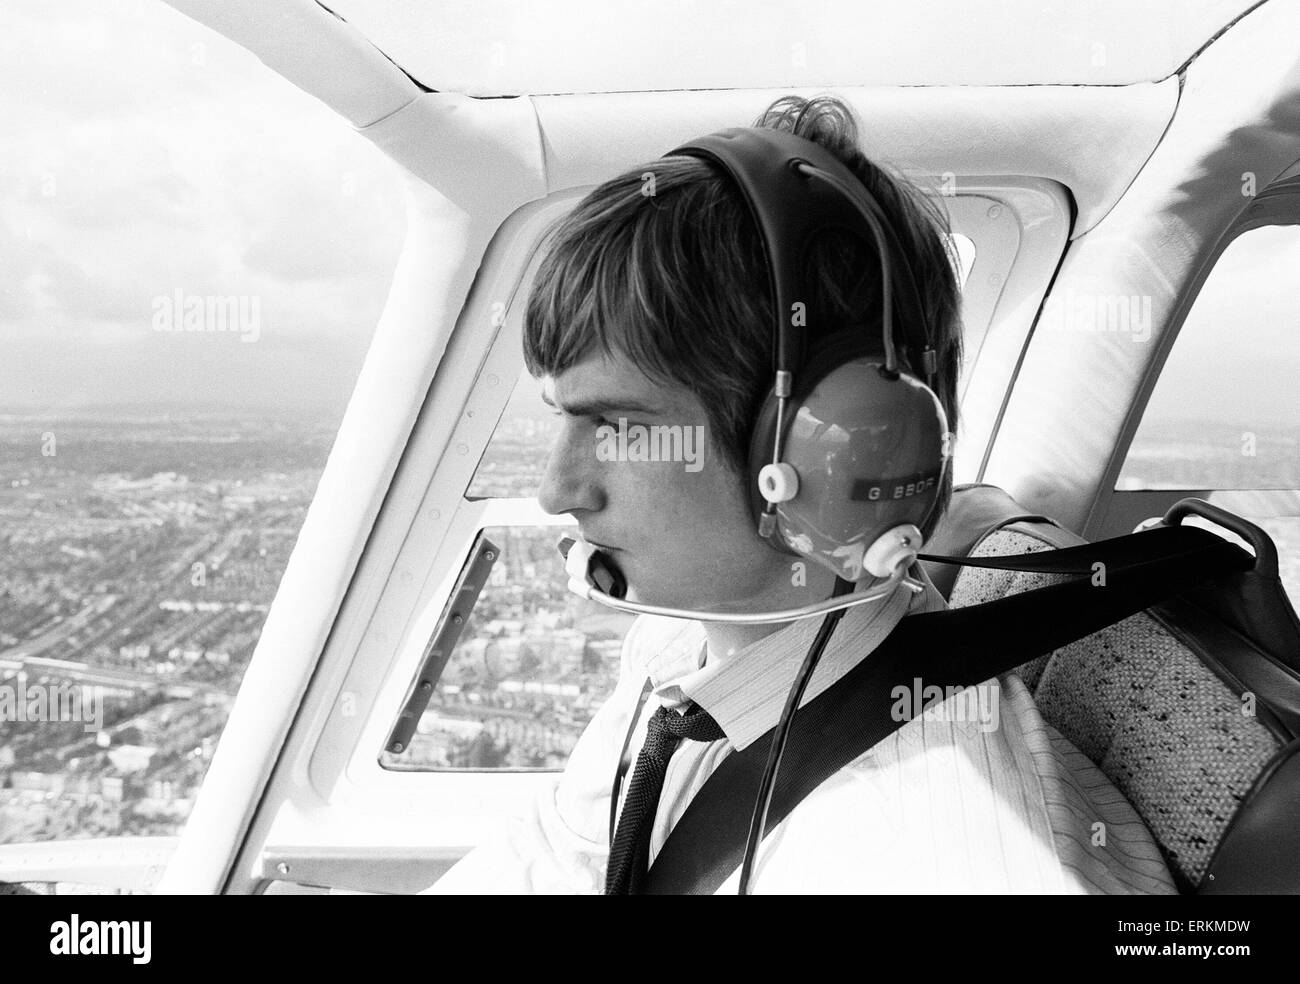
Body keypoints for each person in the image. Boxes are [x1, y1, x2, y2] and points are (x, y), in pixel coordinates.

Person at [424, 94, 1175, 894]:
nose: (556, 490)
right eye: (562, 419)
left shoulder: (920, 863)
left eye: (616, 423)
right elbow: (557, 855)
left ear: (821, 452)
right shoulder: (685, 650)